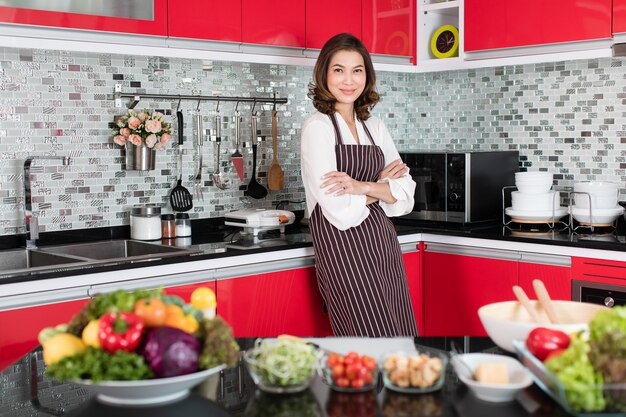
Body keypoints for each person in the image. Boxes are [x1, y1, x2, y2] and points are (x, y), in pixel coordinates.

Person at [300, 33, 418, 337]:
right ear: (324, 74)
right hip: (342, 250)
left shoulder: (374, 126)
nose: (348, 80)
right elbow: (339, 210)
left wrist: (361, 187)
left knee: (399, 334)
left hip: (382, 243)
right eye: (338, 70)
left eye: (357, 70)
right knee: (367, 338)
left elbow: (405, 196)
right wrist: (381, 187)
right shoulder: (318, 127)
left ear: (367, 75)